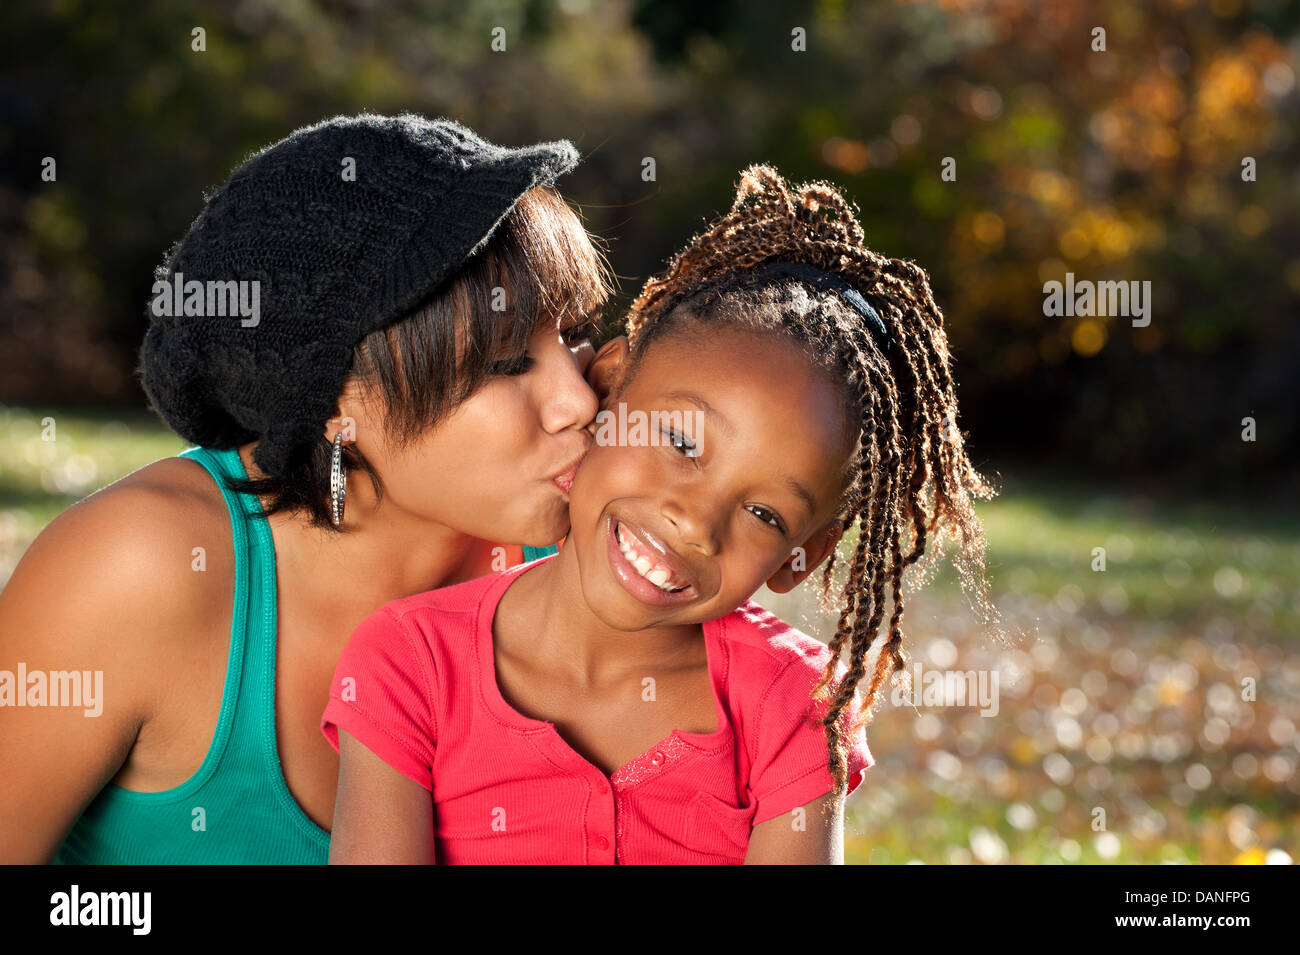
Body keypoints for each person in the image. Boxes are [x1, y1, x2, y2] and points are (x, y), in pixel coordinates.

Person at [321, 164, 1003, 864]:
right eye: (680, 441)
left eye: (765, 513)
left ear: (804, 555)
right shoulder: (409, 662)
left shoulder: (795, 707)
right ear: (611, 388)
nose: (694, 521)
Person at [0, 113, 614, 863]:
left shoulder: (582, 565)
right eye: (509, 364)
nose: (578, 401)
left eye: (575, 331)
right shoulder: (139, 568)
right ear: (337, 402)